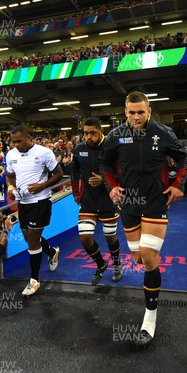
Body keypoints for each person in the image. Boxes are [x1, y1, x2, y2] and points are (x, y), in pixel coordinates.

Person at [99, 91, 187, 348]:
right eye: (131, 112)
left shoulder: (163, 133)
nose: (136, 117)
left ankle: (150, 317)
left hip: (155, 201)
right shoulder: (115, 135)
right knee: (138, 257)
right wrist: (112, 187)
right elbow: (104, 164)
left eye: (141, 112)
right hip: (128, 204)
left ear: (149, 111)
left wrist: (177, 184)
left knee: (149, 257)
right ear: (125, 112)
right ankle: (149, 273)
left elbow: (183, 157)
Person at [6, 125, 64, 297]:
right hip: (22, 202)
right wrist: (10, 187)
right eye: (13, 142)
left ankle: (34, 280)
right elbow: (10, 175)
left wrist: (42, 186)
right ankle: (52, 252)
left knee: (32, 240)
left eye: (19, 141)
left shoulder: (44, 152)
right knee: (30, 238)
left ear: (29, 138)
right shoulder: (11, 154)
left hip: (41, 201)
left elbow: (59, 174)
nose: (16, 144)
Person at [71, 117, 123, 285]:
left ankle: (116, 265)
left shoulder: (112, 148)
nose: (88, 137)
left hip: (108, 200)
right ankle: (101, 264)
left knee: (110, 238)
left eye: (92, 133)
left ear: (101, 131)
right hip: (88, 201)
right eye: (85, 133)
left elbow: (122, 173)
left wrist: (104, 180)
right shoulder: (79, 149)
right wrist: (76, 193)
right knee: (85, 238)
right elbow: (74, 172)